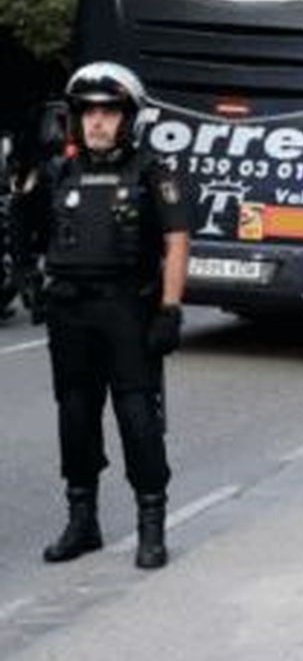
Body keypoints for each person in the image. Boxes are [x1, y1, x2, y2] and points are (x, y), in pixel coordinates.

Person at [24, 62, 190, 570]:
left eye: (109, 112)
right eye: (88, 112)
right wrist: (34, 277)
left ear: (130, 118)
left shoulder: (151, 172)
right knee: (75, 418)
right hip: (70, 312)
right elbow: (31, 230)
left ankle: (151, 526)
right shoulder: (57, 174)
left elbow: (176, 241)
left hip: (126, 311)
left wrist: (169, 308)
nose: (97, 121)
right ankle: (83, 522)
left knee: (139, 420)